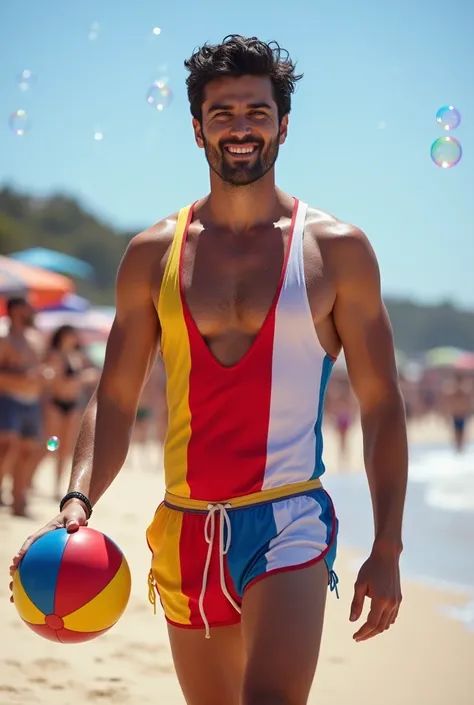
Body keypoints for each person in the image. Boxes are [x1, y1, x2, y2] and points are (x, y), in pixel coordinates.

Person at [10, 35, 408, 705]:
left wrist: (389, 544)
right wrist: (76, 502)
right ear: (197, 129)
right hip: (184, 527)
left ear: (283, 123)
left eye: (257, 111)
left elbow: (379, 402)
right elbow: (113, 396)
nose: (242, 127)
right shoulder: (152, 254)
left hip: (286, 519)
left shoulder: (336, 251)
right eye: (223, 113)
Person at [42, 324, 99, 500]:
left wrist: (84, 378)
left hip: (72, 404)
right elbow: (58, 382)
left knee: (65, 449)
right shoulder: (54, 356)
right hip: (56, 403)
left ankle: (58, 486)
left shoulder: (77, 357)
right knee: (47, 447)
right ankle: (29, 479)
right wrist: (81, 379)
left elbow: (93, 375)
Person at [0, 297, 45, 515]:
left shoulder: (35, 338)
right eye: (25, 307)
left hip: (32, 401)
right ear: (15, 310)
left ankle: (18, 499)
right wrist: (23, 376)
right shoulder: (4, 336)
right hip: (8, 398)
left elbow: (41, 368)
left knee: (28, 450)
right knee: (7, 446)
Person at [441, 370, 473, 453]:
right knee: (456, 431)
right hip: (456, 414)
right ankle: (458, 447)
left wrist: (469, 412)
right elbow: (448, 402)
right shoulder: (451, 391)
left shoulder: (465, 390)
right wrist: (446, 414)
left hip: (462, 414)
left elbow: (468, 402)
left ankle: (460, 447)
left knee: (461, 431)